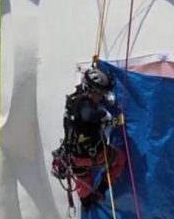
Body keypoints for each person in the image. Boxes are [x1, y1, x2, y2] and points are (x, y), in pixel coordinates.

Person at [51, 66, 126, 211]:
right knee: (119, 158)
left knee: (82, 179)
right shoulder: (84, 103)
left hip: (73, 156)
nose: (101, 97)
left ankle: (86, 202)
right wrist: (103, 115)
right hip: (93, 155)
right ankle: (102, 189)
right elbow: (88, 116)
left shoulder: (73, 100)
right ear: (92, 90)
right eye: (100, 93)